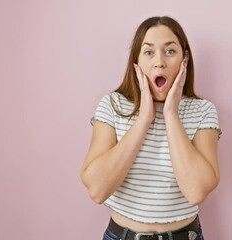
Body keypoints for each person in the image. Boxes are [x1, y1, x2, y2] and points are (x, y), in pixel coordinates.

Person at [80, 16, 222, 240]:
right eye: (148, 52)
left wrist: (170, 115)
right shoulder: (113, 105)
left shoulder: (203, 111)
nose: (159, 62)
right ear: (136, 62)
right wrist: (144, 118)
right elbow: (97, 190)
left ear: (185, 60)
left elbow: (196, 191)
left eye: (170, 51)